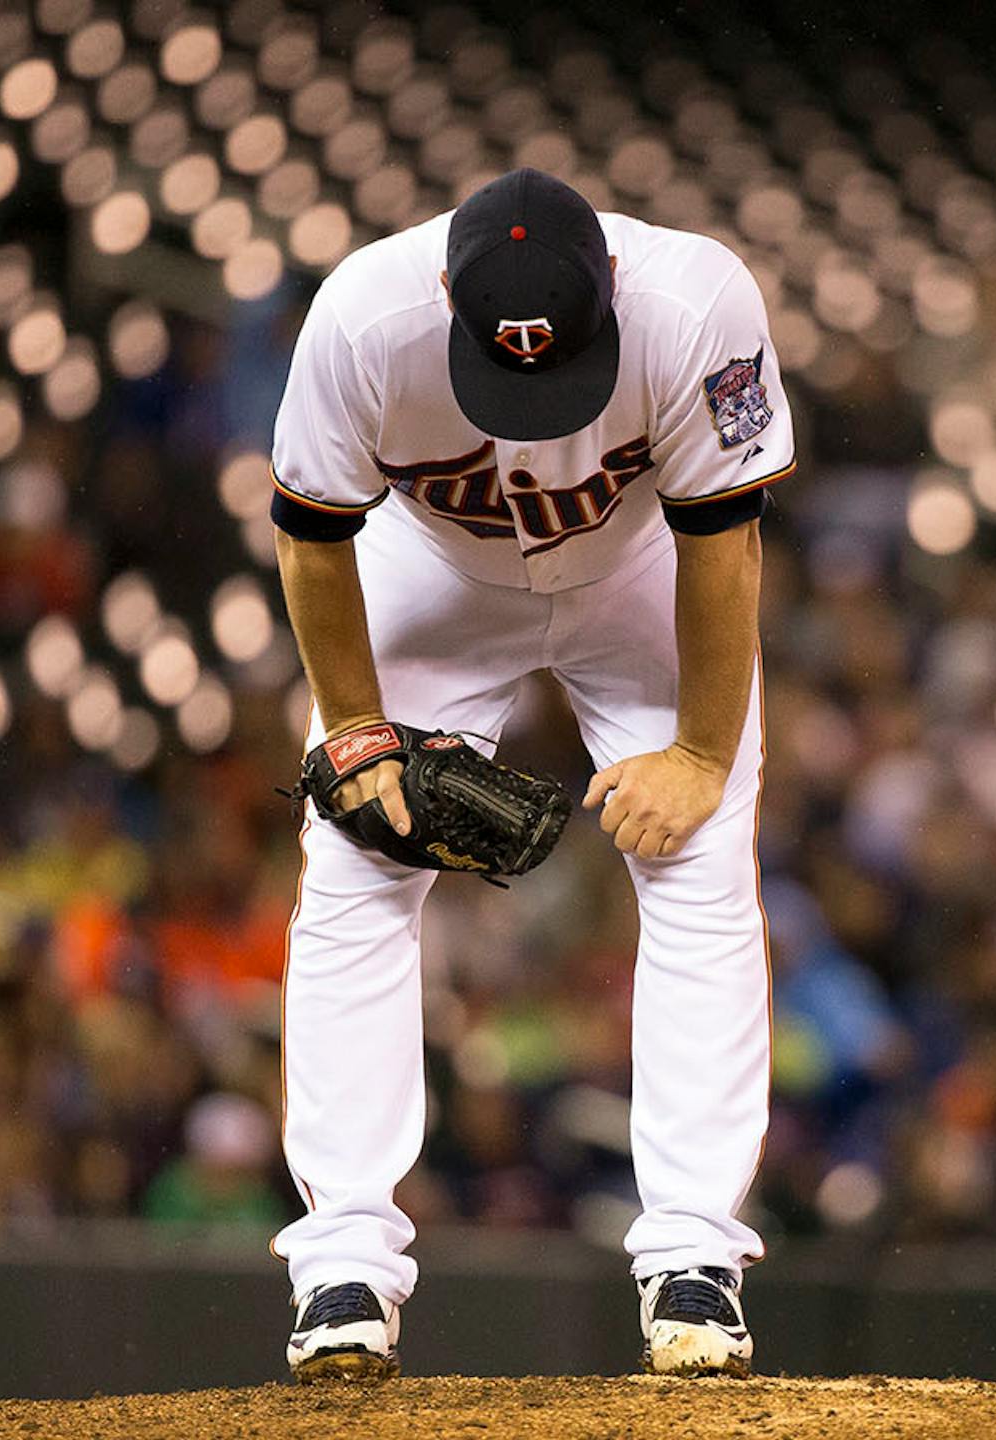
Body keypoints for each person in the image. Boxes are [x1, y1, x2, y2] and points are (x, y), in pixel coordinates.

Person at [266, 168, 794, 1381]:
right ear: (446, 294)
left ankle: (694, 1257)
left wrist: (702, 756)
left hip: (638, 569)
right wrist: (352, 726)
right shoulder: (360, 319)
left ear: (610, 283)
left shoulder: (697, 300)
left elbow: (725, 542)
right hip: (431, 571)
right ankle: (342, 1261)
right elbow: (311, 535)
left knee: (700, 861)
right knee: (355, 860)